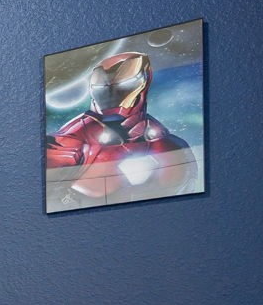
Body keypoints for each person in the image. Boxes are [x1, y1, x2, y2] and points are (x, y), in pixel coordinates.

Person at [45, 50, 197, 203]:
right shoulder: (71, 141)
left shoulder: (167, 142)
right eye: (103, 87)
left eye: (122, 84)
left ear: (144, 81)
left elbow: (185, 191)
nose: (112, 93)